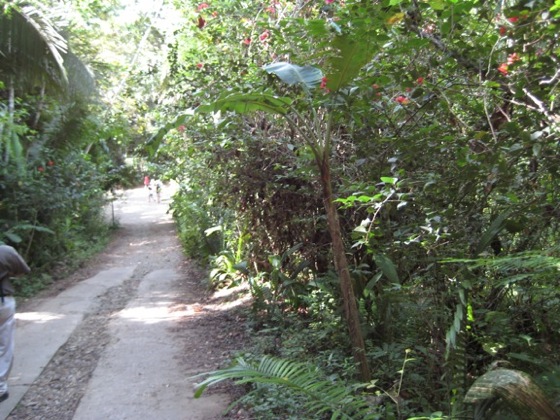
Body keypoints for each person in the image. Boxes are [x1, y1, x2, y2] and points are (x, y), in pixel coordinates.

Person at [0, 245, 30, 403]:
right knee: (5, 343)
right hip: (2, 302)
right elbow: (23, 271)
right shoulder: (4, 252)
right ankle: (0, 386)